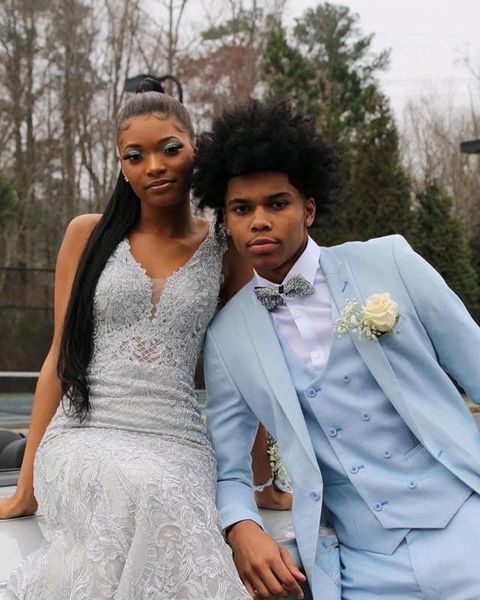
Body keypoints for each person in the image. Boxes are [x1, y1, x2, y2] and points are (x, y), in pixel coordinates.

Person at [194, 100, 480, 600]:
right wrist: (241, 528)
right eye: (242, 209)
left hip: (466, 523)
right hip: (359, 566)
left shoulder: (390, 262)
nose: (259, 221)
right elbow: (230, 466)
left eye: (277, 204)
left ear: (308, 208)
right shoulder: (226, 337)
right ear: (227, 221)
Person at [0, 79, 252, 599]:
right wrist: (26, 489)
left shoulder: (227, 248)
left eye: (169, 149)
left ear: (195, 149)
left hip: (179, 441)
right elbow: (58, 358)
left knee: (165, 492)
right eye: (134, 156)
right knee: (139, 488)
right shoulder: (87, 235)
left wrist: (261, 484)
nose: (153, 166)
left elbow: (248, 370)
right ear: (122, 166)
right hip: (84, 432)